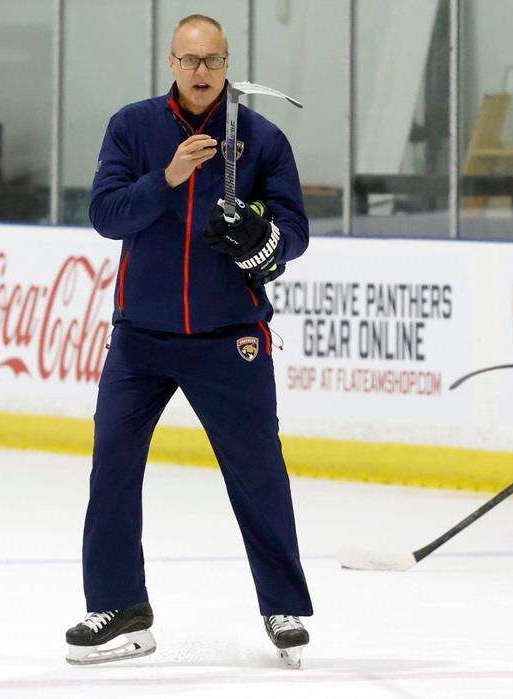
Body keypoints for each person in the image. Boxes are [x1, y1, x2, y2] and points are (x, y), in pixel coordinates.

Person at [64, 14, 313, 668]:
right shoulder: (133, 127)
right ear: (171, 64)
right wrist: (166, 178)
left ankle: (282, 604)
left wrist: (265, 246)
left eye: (212, 60)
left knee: (258, 469)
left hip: (229, 339)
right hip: (140, 338)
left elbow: (293, 230)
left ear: (227, 64)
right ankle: (121, 606)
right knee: (113, 464)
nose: (200, 72)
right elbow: (104, 213)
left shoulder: (261, 139)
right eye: (189, 60)